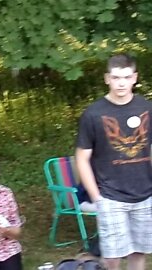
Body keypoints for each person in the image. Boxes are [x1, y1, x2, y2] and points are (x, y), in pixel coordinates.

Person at [76, 53, 152, 270]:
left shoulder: (147, 108)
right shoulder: (93, 114)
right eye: (116, 77)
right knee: (112, 258)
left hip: (145, 195)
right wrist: (97, 197)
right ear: (107, 78)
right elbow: (82, 158)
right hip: (110, 197)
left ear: (135, 78)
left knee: (139, 253)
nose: (121, 83)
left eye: (126, 77)